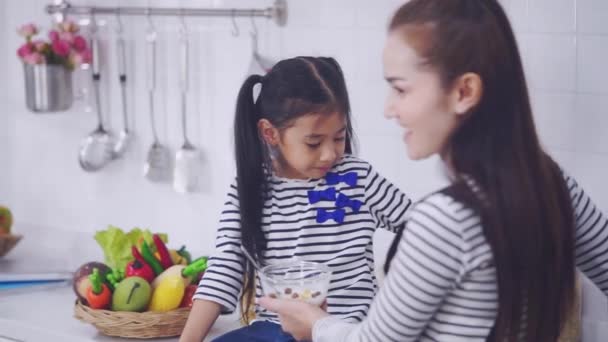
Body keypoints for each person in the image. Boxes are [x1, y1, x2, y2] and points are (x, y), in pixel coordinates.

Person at [258, 1, 608, 341]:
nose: (389, 109)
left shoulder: (445, 220)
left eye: (400, 88)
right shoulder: (549, 182)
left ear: (463, 91)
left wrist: (316, 324)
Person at [179, 56, 412, 342]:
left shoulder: (357, 178)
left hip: (343, 330)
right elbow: (224, 268)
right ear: (270, 133)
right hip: (273, 330)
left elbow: (419, 226)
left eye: (339, 137)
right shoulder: (249, 189)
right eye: (314, 142)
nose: (330, 154)